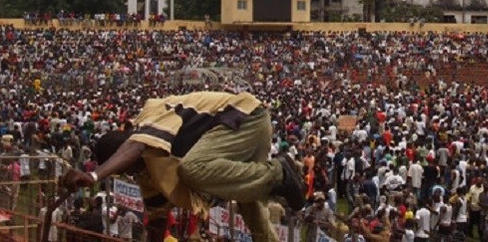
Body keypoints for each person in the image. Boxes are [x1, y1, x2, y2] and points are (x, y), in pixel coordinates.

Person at [61, 91, 305, 242]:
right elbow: (157, 224)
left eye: (127, 168)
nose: (133, 174)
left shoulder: (148, 119)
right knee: (245, 198)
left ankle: (278, 172)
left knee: (191, 170)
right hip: (239, 136)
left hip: (244, 118)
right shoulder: (149, 172)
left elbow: (134, 148)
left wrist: (94, 175)